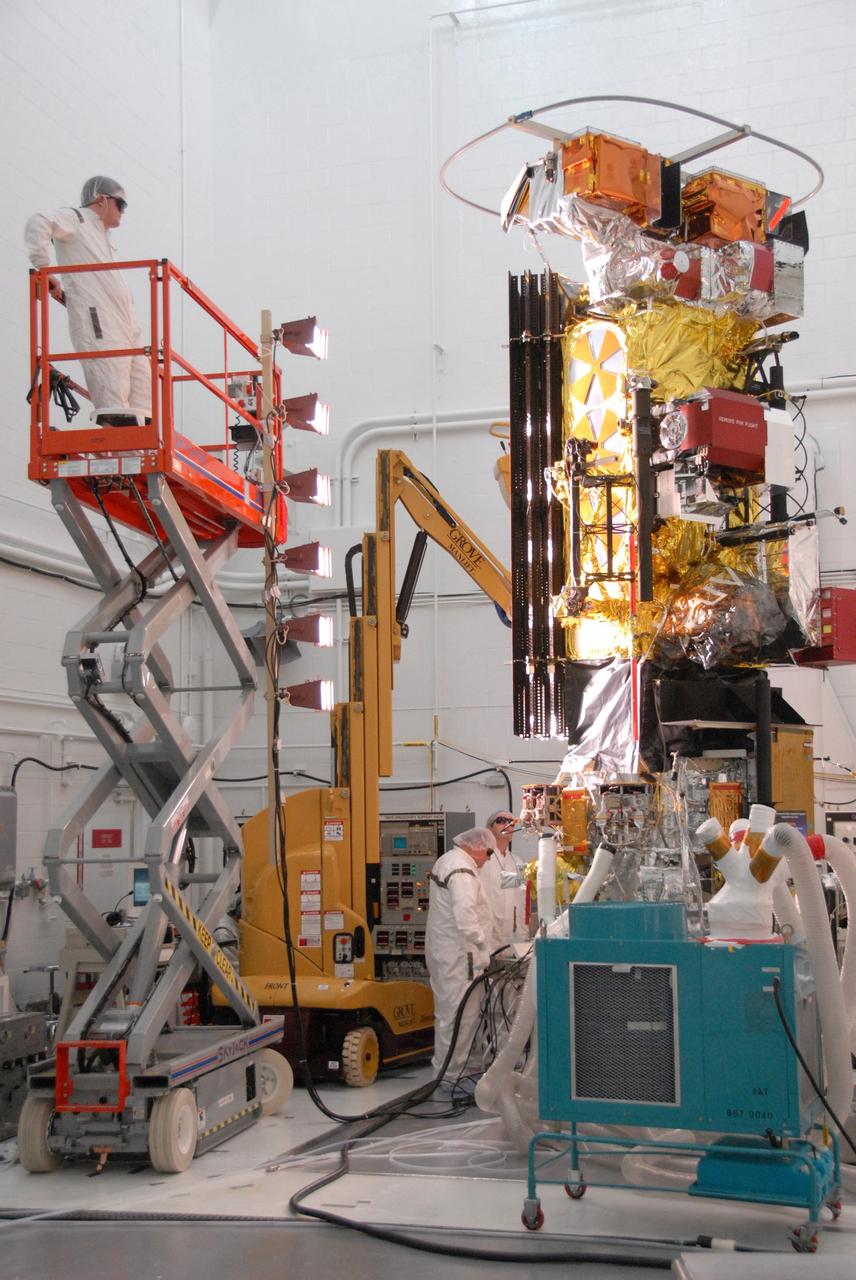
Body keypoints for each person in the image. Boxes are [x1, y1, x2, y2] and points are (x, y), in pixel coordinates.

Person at [24, 176, 151, 425]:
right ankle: (119, 445)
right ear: (102, 200)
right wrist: (43, 269)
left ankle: (144, 447)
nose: (122, 212)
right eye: (121, 204)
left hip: (125, 322)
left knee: (144, 397)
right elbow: (38, 222)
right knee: (112, 392)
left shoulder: (102, 237)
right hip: (99, 319)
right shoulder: (77, 219)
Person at [425, 825, 496, 1085]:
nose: (489, 859)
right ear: (476, 846)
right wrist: (481, 946)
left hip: (448, 953)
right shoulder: (462, 871)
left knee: (450, 1014)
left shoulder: (448, 860)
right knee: (460, 1016)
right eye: (488, 852)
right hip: (459, 955)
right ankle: (450, 1076)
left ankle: (450, 1072)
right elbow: (465, 917)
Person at [480, 810, 527, 955]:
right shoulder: (481, 860)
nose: (507, 825)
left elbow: (522, 904)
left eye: (511, 822)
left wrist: (523, 938)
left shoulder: (517, 862)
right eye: (501, 820)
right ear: (489, 829)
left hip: (511, 939)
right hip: (487, 937)